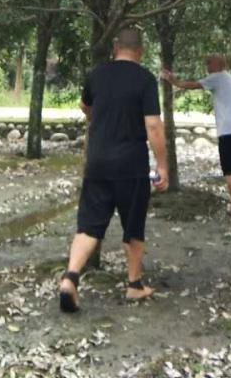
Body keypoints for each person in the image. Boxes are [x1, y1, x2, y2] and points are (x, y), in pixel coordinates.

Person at [59, 25, 168, 313]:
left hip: (96, 162)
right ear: (140, 51)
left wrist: (100, 115)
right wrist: (162, 165)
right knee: (133, 225)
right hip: (130, 164)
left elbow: (85, 105)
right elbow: (154, 125)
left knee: (89, 225)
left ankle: (71, 278)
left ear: (115, 47)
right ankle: (134, 285)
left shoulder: (97, 74)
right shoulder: (144, 79)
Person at [161, 54, 231, 219]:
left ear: (218, 65)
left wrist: (172, 80)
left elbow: (191, 85)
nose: (206, 66)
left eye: (209, 63)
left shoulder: (216, 78)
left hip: (228, 131)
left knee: (229, 170)